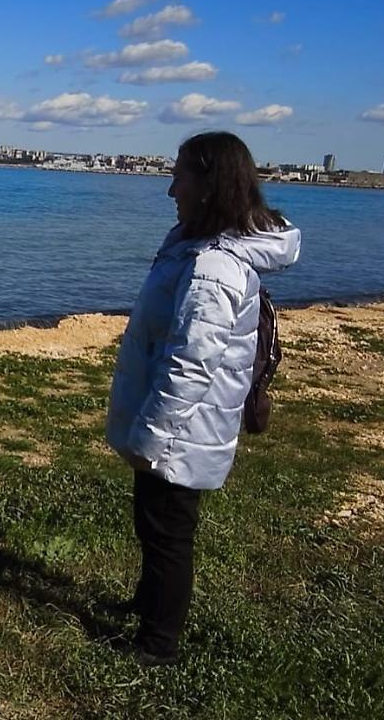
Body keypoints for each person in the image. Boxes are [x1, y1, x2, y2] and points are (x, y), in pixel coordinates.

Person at [105, 131, 301, 666]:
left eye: (180, 177)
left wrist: (153, 434)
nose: (171, 190)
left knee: (168, 533)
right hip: (174, 425)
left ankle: (158, 644)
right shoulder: (195, 245)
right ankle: (148, 605)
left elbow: (191, 364)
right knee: (153, 522)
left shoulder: (213, 267)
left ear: (209, 186)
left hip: (179, 430)